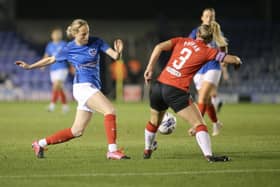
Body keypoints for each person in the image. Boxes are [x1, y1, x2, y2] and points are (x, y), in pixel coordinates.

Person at [15, 19, 130, 160]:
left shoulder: (97, 41)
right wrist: (30, 66)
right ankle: (112, 150)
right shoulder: (69, 48)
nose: (86, 36)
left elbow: (115, 56)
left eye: (87, 33)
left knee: (76, 131)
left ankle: (39, 143)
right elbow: (50, 60)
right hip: (82, 87)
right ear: (75, 34)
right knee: (110, 110)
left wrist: (119, 52)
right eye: (82, 34)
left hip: (92, 87)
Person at [143, 24, 242, 162]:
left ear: (197, 34)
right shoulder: (209, 51)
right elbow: (231, 59)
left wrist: (149, 68)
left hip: (158, 86)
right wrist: (237, 61)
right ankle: (209, 156)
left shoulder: (181, 40)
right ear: (209, 39)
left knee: (154, 122)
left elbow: (158, 47)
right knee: (199, 124)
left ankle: (147, 150)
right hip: (176, 90)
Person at [189, 8, 229, 136]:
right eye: (207, 16)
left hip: (213, 67)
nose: (209, 18)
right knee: (206, 100)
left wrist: (223, 59)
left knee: (202, 97)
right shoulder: (196, 32)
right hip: (199, 69)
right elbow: (189, 46)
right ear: (202, 18)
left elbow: (223, 47)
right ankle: (216, 123)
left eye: (211, 16)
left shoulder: (216, 31)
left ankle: (197, 126)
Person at [44, 28, 70, 113]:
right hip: (53, 69)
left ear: (61, 35)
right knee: (59, 88)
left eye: (58, 34)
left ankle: (52, 106)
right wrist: (43, 65)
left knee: (56, 85)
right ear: (52, 35)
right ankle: (65, 105)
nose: (56, 35)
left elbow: (69, 55)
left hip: (62, 68)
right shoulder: (50, 45)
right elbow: (46, 56)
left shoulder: (64, 44)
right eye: (55, 34)